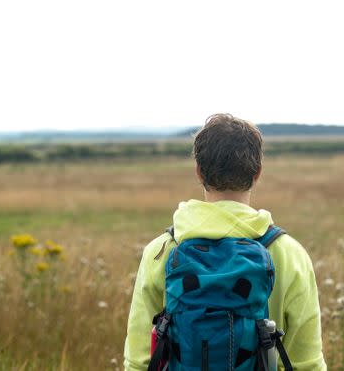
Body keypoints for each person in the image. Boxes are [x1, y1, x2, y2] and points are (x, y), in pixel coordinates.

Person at [124, 113, 327, 370]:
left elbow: (138, 361)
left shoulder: (161, 251)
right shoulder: (288, 253)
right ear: (257, 173)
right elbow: (307, 363)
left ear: (199, 172)